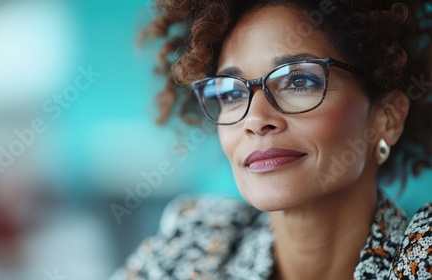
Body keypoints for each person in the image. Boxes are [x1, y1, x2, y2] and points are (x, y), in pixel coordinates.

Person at [110, 0, 432, 279]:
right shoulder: (198, 243)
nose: (256, 120)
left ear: (386, 118)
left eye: (299, 81)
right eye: (231, 92)